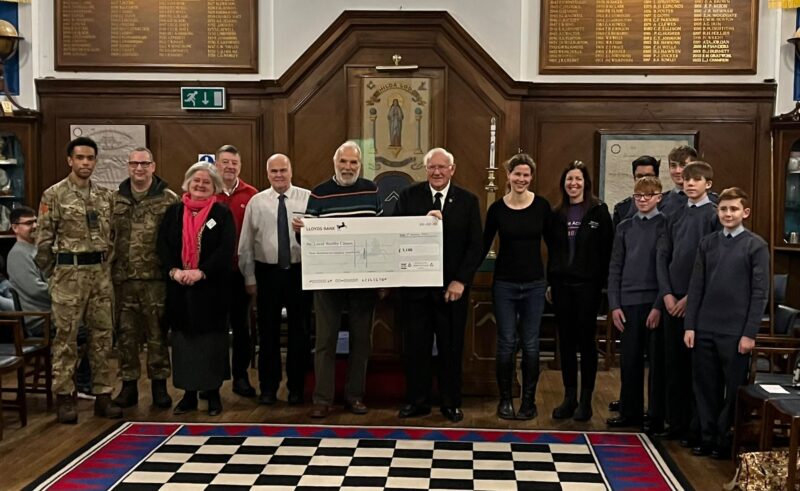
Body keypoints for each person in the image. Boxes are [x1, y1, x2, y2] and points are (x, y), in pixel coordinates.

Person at [35, 136, 121, 423]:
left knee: (102, 336)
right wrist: (54, 275)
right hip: (68, 274)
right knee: (66, 338)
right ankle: (64, 396)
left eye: (90, 158)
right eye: (80, 158)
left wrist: (105, 267)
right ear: (70, 160)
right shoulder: (54, 195)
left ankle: (103, 395)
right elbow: (44, 241)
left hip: (99, 274)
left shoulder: (105, 196)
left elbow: (113, 237)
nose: (86, 163)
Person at [394, 147, 483, 423]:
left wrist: (461, 281)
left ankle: (450, 403)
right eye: (432, 167)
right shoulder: (409, 196)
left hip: (451, 291)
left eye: (442, 167)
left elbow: (475, 246)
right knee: (416, 349)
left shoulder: (468, 201)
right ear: (426, 169)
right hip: (415, 291)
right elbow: (396, 234)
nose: (437, 172)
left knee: (451, 348)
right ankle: (417, 401)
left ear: (452, 170)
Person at [294, 141, 382, 418]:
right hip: (326, 280)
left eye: (353, 163)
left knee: (360, 340)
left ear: (360, 165)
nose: (347, 167)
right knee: (325, 340)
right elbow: (305, 239)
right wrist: (301, 231)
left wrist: (382, 278)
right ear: (335, 163)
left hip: (363, 280)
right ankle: (322, 399)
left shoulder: (372, 190)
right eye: (343, 162)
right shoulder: (319, 193)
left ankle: (354, 396)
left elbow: (380, 234)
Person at [684, 187, 768, 459]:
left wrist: (749, 333)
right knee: (705, 387)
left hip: (735, 333)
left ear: (745, 212)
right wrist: (690, 325)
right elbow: (696, 287)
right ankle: (706, 437)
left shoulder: (756, 245)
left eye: (733, 209)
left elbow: (760, 293)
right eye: (723, 209)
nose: (728, 214)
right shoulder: (707, 243)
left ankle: (724, 439)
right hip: (705, 328)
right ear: (717, 211)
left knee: (731, 391)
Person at [157, 162, 236, 416]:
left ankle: (213, 395)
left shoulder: (221, 215)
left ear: (214, 187)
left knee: (211, 343)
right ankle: (188, 396)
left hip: (211, 290)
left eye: (207, 182)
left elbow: (226, 251)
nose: (200, 185)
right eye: (196, 181)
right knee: (183, 344)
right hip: (180, 289)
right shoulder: (173, 212)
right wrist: (175, 271)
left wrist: (201, 272)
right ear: (187, 183)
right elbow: (163, 247)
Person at [482, 153, 552, 420]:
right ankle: (505, 400)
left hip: (535, 284)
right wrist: (461, 275)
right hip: (505, 285)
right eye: (516, 174)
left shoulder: (542, 207)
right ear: (508, 176)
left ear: (531, 177)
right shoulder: (497, 209)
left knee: (531, 344)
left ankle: (529, 402)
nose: (521, 179)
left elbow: (555, 246)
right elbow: (483, 244)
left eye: (526, 174)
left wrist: (553, 281)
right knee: (506, 343)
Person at [657, 160, 721, 446]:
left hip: (698, 302)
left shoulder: (714, 215)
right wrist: (667, 294)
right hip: (672, 299)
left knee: (699, 369)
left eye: (697, 179)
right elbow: (663, 255)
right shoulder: (674, 213)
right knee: (674, 367)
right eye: (687, 179)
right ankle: (676, 423)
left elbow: (711, 262)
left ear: (708, 184)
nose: (690, 183)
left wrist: (688, 298)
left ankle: (697, 429)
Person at [239, 153, 311, 406]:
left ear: (291, 171)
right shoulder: (256, 202)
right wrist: (249, 277)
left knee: (299, 334)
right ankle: (268, 388)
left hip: (300, 272)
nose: (279, 175)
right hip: (266, 273)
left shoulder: (308, 198)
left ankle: (297, 389)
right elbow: (246, 243)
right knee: (267, 334)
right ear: (267, 174)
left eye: (283, 170)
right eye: (274, 171)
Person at [111, 147, 178, 409]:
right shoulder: (115, 199)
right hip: (123, 280)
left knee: (157, 334)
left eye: (144, 164)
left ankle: (160, 386)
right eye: (134, 164)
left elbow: (175, 240)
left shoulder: (169, 199)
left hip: (156, 280)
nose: (139, 169)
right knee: (126, 336)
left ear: (153, 166)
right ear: (128, 166)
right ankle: (128, 386)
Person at [546, 160, 613, 422]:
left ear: (586, 183)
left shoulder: (599, 211)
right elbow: (551, 251)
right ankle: (569, 397)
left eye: (578, 180)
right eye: (569, 180)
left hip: (589, 287)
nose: (574, 184)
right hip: (562, 286)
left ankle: (586, 400)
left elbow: (607, 250)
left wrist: (604, 286)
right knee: (566, 343)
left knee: (586, 344)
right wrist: (550, 281)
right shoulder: (556, 213)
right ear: (564, 184)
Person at [9, 206, 93, 396]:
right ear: (15, 227)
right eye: (28, 223)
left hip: (55, 312)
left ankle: (83, 380)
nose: (35, 226)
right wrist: (66, 292)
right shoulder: (17, 255)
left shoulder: (35, 250)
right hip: (40, 320)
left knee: (98, 324)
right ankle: (81, 382)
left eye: (36, 221)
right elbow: (36, 290)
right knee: (92, 332)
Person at [606, 176, 666, 429]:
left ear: (659, 197)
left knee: (656, 362)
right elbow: (615, 266)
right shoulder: (625, 227)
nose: (642, 200)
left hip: (653, 302)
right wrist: (614, 304)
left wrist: (658, 305)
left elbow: (666, 269)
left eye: (648, 195)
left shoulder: (666, 225)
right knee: (629, 360)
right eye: (638, 196)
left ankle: (654, 415)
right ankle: (629, 412)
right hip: (627, 303)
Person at [214, 144, 259, 398]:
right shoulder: (206, 191)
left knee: (242, 328)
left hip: (241, 273)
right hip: (212, 276)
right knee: (215, 328)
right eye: (225, 162)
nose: (230, 167)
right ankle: (214, 380)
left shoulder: (251, 195)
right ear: (216, 164)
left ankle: (241, 377)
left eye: (234, 163)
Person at [612, 156, 660, 228]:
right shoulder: (622, 209)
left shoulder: (668, 207)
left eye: (648, 176)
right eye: (639, 176)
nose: (644, 180)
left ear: (657, 178)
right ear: (634, 178)